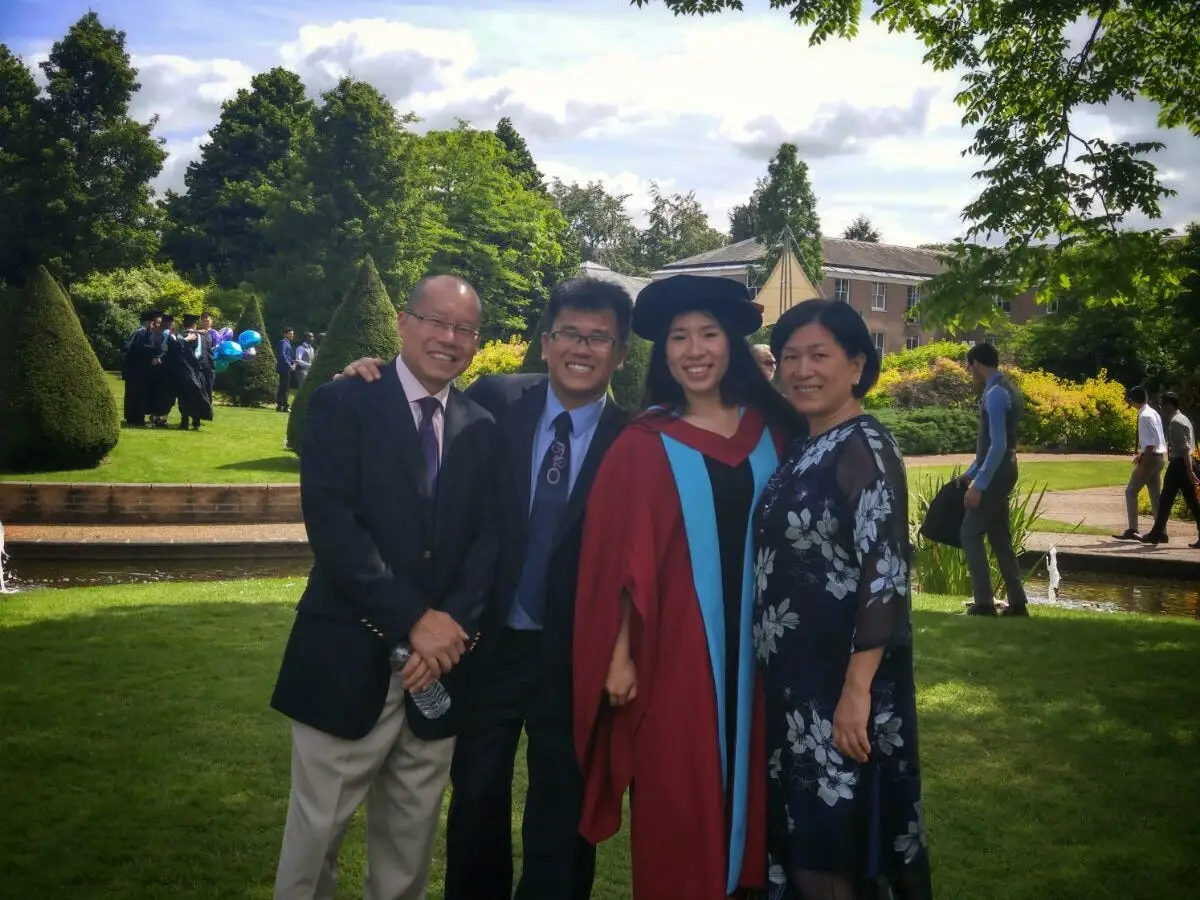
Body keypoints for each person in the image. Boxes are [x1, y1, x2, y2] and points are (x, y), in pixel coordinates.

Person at [338, 277, 634, 900]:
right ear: (545, 343)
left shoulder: (636, 443)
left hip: (576, 656)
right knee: (475, 796)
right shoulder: (495, 402)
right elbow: (422, 397)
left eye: (599, 338)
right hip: (487, 643)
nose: (581, 349)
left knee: (563, 809)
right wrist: (369, 374)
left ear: (622, 352)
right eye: (568, 334)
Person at [269, 275, 500, 900]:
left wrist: (450, 628)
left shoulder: (483, 426)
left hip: (439, 672)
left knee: (408, 850)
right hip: (347, 661)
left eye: (465, 329)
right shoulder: (344, 404)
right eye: (435, 321)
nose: (448, 338)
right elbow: (336, 529)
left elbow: (489, 541)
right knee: (313, 842)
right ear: (403, 321)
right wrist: (412, 621)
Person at [572, 274, 802, 899]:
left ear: (730, 344)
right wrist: (618, 656)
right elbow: (617, 562)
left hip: (763, 654)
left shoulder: (774, 432)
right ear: (663, 352)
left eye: (708, 334)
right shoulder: (643, 444)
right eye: (679, 337)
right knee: (678, 794)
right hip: (674, 655)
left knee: (762, 794)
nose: (694, 350)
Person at [752, 299, 932, 900]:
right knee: (800, 839)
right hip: (794, 689)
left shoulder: (866, 449)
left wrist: (855, 695)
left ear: (856, 364)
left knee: (833, 851)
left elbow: (885, 576)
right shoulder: (805, 445)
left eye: (819, 355)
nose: (802, 370)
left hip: (842, 694)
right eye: (791, 357)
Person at [957, 342, 1028, 616]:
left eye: (969, 364)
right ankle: (1018, 603)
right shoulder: (1007, 389)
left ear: (976, 362)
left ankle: (984, 603)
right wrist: (970, 472)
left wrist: (979, 484)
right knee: (999, 537)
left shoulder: (996, 394)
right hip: (1006, 466)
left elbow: (997, 444)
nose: (968, 370)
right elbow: (996, 445)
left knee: (969, 533)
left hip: (998, 472)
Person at [1141, 392, 1200, 549]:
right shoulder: (1184, 419)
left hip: (1180, 465)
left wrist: (1189, 471)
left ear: (1169, 405)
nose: (1161, 408)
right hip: (1185, 464)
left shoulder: (1175, 422)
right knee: (1191, 502)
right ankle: (1157, 533)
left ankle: (1156, 534)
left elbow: (1185, 449)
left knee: (1166, 500)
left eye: (1162, 405)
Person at [1116, 385, 1167, 540]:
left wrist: (1142, 465)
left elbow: (1150, 443)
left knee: (1131, 491)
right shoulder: (1153, 412)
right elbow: (1156, 439)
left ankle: (1132, 529)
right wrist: (1142, 453)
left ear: (1132, 400)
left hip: (1151, 458)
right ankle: (1161, 531)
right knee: (1155, 495)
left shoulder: (1144, 416)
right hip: (1159, 457)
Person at [167, 313, 214, 430]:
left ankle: (184, 422)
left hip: (185, 372)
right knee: (198, 395)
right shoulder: (202, 336)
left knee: (184, 397)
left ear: (184, 324)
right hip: (200, 371)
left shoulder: (181, 336)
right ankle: (196, 422)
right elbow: (208, 354)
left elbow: (174, 353)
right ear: (195, 324)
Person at [277, 327, 296, 412]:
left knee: (283, 387)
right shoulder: (283, 342)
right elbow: (282, 355)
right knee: (285, 388)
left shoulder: (287, 343)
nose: (292, 335)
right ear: (285, 334)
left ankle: (280, 405)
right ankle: (284, 406)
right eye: (290, 334)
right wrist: (290, 365)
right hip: (284, 368)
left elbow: (287, 356)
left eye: (292, 334)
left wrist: (294, 361)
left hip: (285, 367)